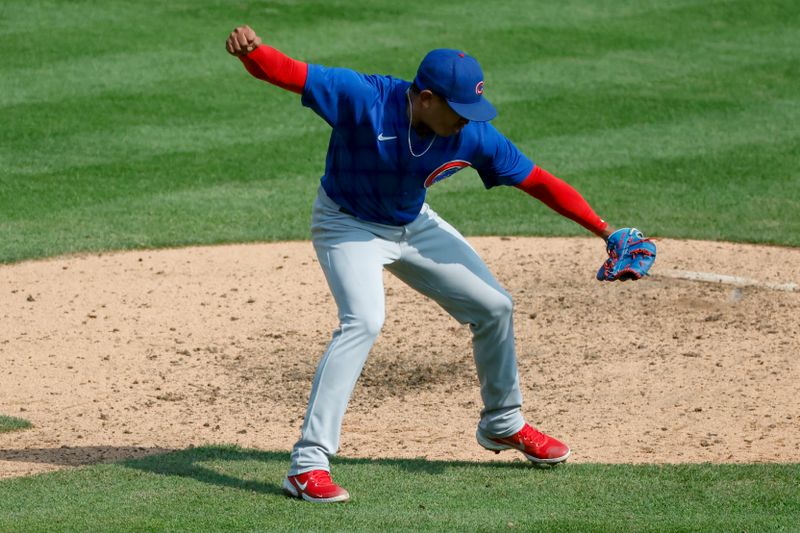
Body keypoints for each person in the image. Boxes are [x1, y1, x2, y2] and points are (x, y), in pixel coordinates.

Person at [226, 25, 616, 504]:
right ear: (426, 98)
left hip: (411, 222)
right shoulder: (364, 98)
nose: (467, 122)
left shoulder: (474, 136)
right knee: (364, 320)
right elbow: (292, 75)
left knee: (494, 305)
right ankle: (307, 465)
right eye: (459, 110)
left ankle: (502, 423)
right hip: (347, 224)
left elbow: (538, 181)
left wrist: (606, 231)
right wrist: (253, 52)